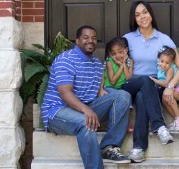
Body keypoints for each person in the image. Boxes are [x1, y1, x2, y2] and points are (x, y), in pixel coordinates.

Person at [41, 25, 131, 169]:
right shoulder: (65, 59)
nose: (91, 40)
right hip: (57, 111)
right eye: (86, 37)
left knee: (123, 96)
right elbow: (65, 93)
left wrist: (103, 91)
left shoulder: (96, 63)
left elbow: (97, 88)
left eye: (94, 38)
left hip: (85, 106)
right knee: (86, 122)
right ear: (77, 41)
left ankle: (109, 147)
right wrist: (86, 110)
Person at [123, 0, 179, 163]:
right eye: (137, 15)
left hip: (155, 84)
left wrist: (170, 86)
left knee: (142, 96)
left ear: (151, 14)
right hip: (132, 82)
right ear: (134, 18)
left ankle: (138, 148)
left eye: (145, 12)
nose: (142, 17)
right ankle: (159, 126)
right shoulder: (128, 39)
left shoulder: (163, 39)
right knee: (143, 82)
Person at [149, 46, 179, 131]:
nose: (164, 64)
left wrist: (154, 80)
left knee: (166, 96)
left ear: (172, 63)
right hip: (175, 89)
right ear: (158, 59)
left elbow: (166, 84)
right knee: (164, 100)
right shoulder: (160, 68)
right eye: (162, 61)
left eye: (167, 63)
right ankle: (178, 119)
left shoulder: (170, 70)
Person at [103, 37, 134, 132]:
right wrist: (120, 66)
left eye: (120, 52)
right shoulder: (109, 62)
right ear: (110, 55)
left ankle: (126, 123)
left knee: (128, 101)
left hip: (121, 89)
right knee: (122, 98)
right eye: (114, 53)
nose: (118, 55)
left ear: (126, 50)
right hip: (109, 88)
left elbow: (129, 78)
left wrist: (124, 64)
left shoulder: (130, 62)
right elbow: (112, 81)